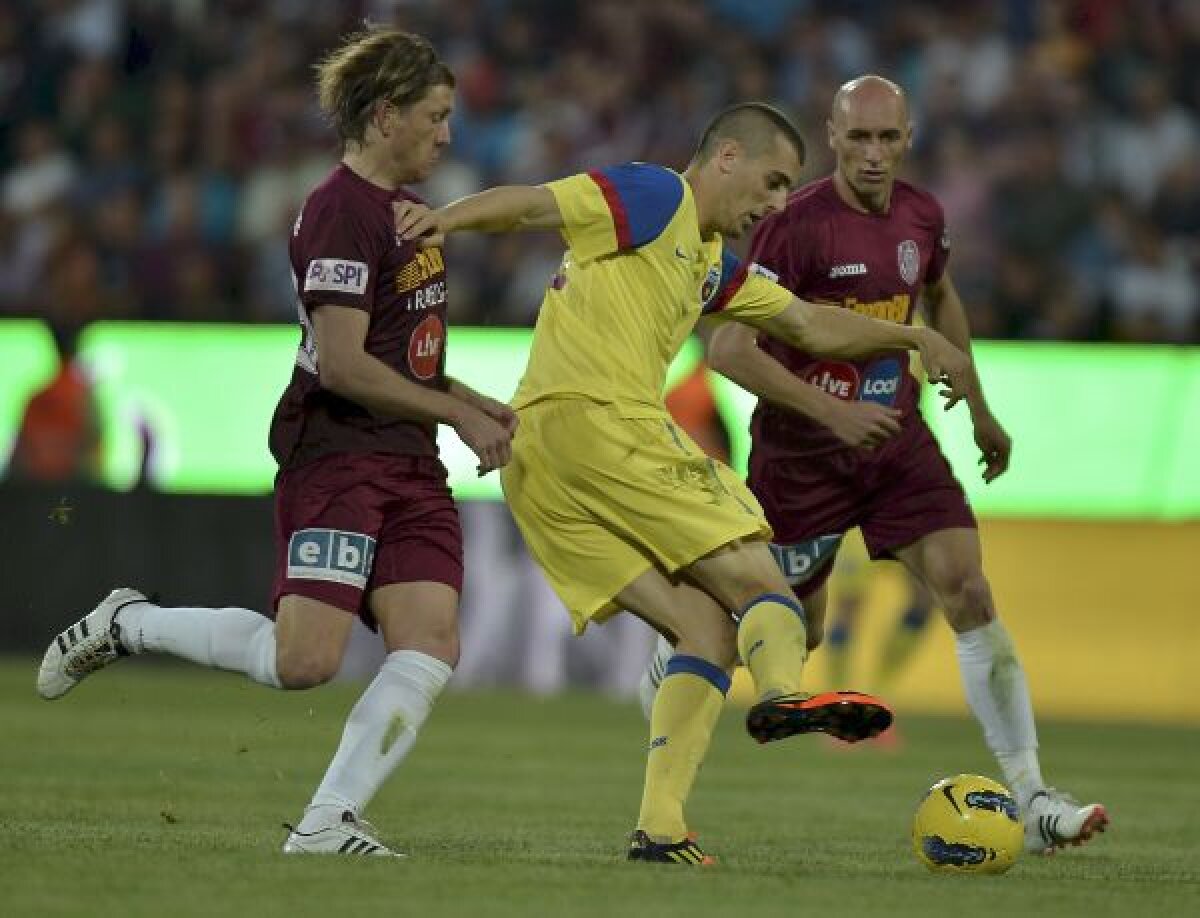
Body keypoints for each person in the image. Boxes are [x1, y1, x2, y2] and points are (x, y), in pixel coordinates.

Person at [395, 101, 973, 864]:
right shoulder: (657, 196)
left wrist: (911, 333)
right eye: (770, 182)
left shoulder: (705, 263)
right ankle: (780, 696)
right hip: (606, 423)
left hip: (537, 462)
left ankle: (660, 828)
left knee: (703, 629)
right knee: (761, 576)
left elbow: (804, 322)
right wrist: (446, 220)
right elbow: (535, 205)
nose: (773, 203)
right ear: (726, 157)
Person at [36, 28, 516, 857]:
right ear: (385, 114)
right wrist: (459, 415)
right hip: (339, 454)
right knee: (303, 663)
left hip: (408, 457)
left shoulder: (409, 213)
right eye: (435, 117)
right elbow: (340, 366)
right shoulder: (340, 211)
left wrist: (471, 399)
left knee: (432, 638)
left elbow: (399, 352)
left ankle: (327, 821)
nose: (448, 135)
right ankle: (129, 623)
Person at [638, 76, 1108, 855]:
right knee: (795, 629)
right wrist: (830, 412)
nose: (873, 154)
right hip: (802, 458)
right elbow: (725, 346)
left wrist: (980, 404)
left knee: (968, 587)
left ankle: (1031, 797)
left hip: (897, 443)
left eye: (888, 138)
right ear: (833, 136)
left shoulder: (922, 215)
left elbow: (941, 300)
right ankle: (677, 656)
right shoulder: (794, 226)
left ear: (908, 138)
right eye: (858, 138)